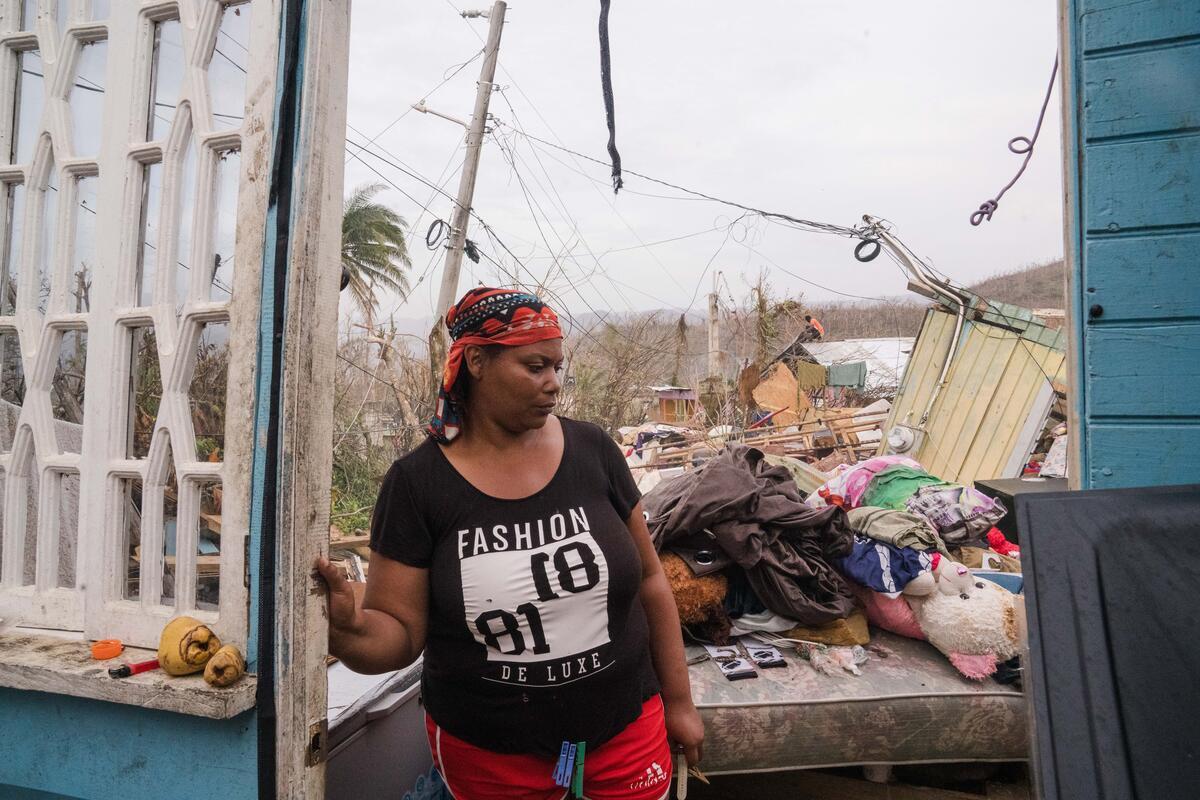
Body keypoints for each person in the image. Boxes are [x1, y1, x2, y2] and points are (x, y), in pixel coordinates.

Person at [315, 287, 704, 800]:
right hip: (489, 751)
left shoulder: (593, 451)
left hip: (624, 728)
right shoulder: (418, 485)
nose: (553, 385)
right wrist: (346, 631)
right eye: (535, 366)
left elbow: (651, 581)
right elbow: (401, 635)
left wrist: (679, 703)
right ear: (476, 361)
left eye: (557, 368)